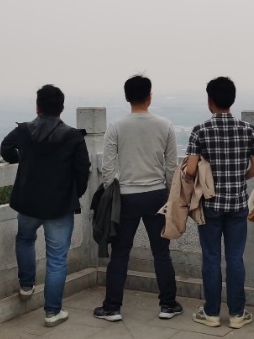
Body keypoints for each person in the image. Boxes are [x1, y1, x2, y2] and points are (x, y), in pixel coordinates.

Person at [0, 84, 91, 328]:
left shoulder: (24, 131)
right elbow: (83, 172)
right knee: (57, 259)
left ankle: (26, 285)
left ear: (37, 107)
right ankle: (52, 312)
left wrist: (22, 159)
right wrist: (73, 194)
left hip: (28, 203)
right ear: (62, 108)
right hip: (59, 207)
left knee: (25, 239)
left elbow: (5, 148)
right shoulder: (73, 136)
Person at [94, 75, 183, 322]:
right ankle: (168, 305)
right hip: (156, 195)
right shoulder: (165, 125)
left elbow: (108, 169)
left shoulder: (116, 126)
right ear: (149, 97)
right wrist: (169, 195)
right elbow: (171, 168)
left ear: (127, 97)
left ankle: (112, 308)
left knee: (120, 253)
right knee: (161, 252)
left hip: (126, 197)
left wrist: (112, 193)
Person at [185, 77, 254, 329]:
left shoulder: (200, 130)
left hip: (210, 205)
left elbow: (191, 170)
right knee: (235, 259)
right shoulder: (248, 129)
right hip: (237, 204)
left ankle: (211, 313)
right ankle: (238, 314)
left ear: (210, 101)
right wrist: (240, 177)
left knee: (211, 258)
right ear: (232, 99)